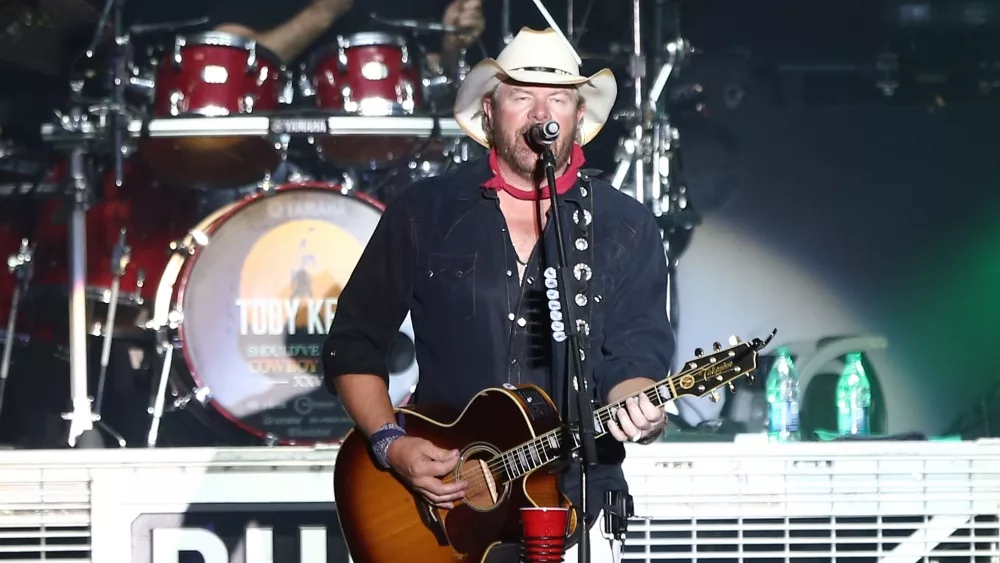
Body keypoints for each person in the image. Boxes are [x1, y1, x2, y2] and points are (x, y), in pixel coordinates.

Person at [322, 27, 675, 563]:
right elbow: (353, 344)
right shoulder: (427, 211)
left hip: (576, 506)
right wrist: (391, 445)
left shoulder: (626, 227)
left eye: (558, 98)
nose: (541, 114)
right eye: (521, 96)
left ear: (579, 118)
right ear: (489, 111)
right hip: (444, 505)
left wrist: (640, 409)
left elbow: (634, 358)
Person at [208, 0, 485, 71]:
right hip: (286, 153)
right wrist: (323, 12)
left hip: (397, 151)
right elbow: (223, 63)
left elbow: (433, 83)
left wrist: (452, 49)